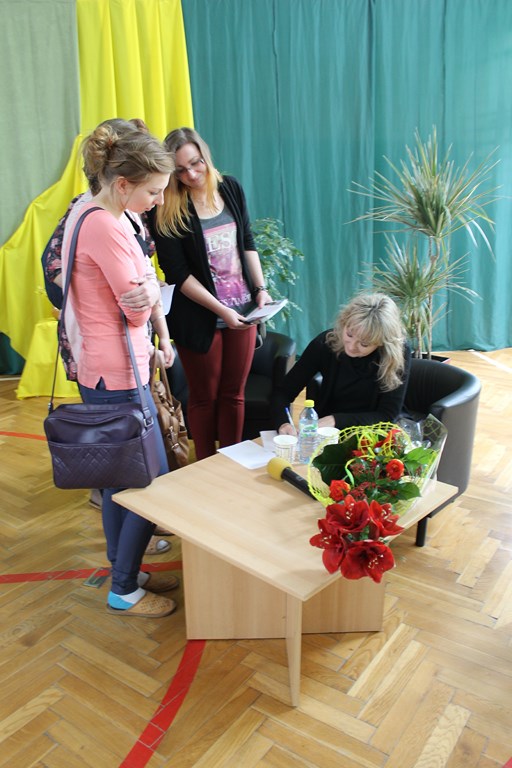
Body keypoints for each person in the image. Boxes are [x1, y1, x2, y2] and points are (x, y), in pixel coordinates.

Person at [43, 118, 173, 555]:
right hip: (117, 371)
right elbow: (134, 313)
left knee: (120, 480)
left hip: (104, 366)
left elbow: (139, 287)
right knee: (147, 481)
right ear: (122, 184)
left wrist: (147, 288)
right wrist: (150, 291)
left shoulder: (89, 211)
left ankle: (124, 575)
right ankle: (124, 581)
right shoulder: (108, 226)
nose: (158, 201)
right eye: (153, 191)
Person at [147, 127, 272, 460]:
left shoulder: (230, 188)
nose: (191, 174)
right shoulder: (165, 208)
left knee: (234, 395)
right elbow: (178, 274)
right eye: (180, 170)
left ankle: (231, 463)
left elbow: (247, 241)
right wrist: (221, 310)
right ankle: (204, 464)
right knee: (204, 398)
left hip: (243, 311)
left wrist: (260, 289)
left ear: (205, 155)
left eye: (195, 163)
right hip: (198, 317)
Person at [272, 293, 411, 434]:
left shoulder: (397, 353)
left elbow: (387, 416)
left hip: (374, 433)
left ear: (382, 342)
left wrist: (336, 420)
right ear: (343, 323)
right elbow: (283, 392)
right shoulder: (325, 343)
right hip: (327, 433)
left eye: (364, 344)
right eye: (349, 334)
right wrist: (283, 423)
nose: (351, 346)